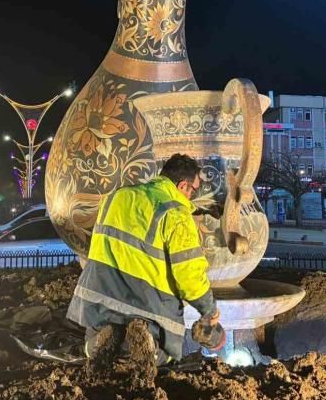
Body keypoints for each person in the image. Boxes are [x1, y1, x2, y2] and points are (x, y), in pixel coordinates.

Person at [67, 153, 221, 369]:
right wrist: (209, 309)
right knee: (165, 355)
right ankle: (144, 345)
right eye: (194, 190)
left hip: (100, 298)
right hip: (146, 306)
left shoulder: (118, 196)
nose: (192, 197)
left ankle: (101, 341)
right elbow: (189, 276)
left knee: (90, 347)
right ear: (183, 186)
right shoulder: (176, 213)